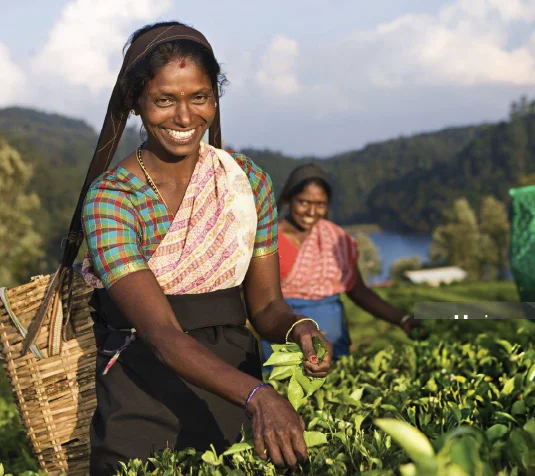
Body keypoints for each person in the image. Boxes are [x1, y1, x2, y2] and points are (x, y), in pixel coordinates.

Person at [80, 22, 333, 475]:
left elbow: (267, 305)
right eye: (164, 100)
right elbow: (161, 335)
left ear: (215, 97)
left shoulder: (245, 182)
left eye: (199, 97)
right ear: (137, 102)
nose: (184, 117)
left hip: (235, 404)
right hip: (143, 398)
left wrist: (301, 329)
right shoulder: (113, 198)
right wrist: (259, 395)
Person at [259, 164, 425, 365]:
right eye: (303, 202)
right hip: (285, 341)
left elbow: (359, 292)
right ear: (287, 199)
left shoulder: (336, 239)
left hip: (333, 342)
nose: (311, 211)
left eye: (320, 204)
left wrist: (402, 319)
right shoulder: (267, 238)